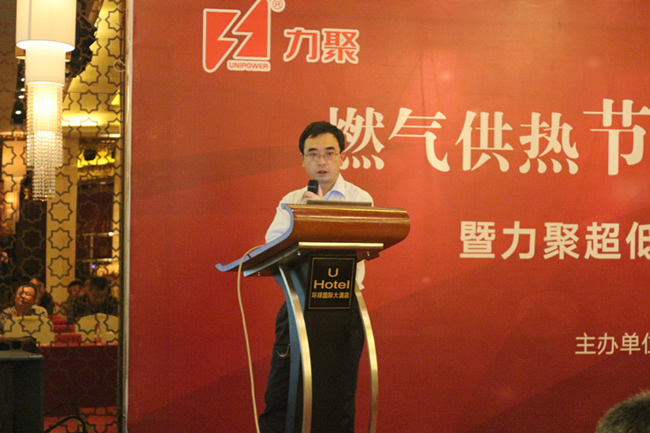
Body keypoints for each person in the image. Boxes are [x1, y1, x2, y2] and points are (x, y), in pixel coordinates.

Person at [258, 121, 373, 433]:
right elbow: (271, 249)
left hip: (342, 308)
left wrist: (321, 218)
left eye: (329, 153)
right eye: (313, 154)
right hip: (299, 306)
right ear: (303, 160)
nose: (322, 161)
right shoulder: (291, 201)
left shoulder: (359, 198)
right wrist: (303, 221)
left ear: (342, 157)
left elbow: (364, 240)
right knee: (283, 388)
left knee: (338, 392)